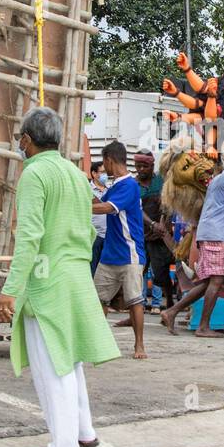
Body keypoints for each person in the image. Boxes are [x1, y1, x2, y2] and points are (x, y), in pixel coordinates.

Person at [0, 107, 121, 447]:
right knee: (71, 359)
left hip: (46, 280)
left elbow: (30, 237)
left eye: (21, 138)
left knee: (54, 366)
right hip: (75, 274)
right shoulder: (75, 173)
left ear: (27, 140)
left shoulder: (35, 174)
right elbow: (88, 228)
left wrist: (10, 290)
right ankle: (83, 432)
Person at [160, 151, 224, 338]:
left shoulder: (221, 178)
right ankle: (203, 327)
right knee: (217, 280)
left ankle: (171, 312)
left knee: (207, 282)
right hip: (217, 235)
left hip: (211, 233)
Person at [92, 141, 147, 358]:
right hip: (110, 254)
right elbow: (99, 200)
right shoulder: (115, 186)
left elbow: (106, 208)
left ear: (109, 160)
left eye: (104, 163)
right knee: (98, 300)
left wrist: (80, 207)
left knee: (135, 300)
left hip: (129, 253)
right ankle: (96, 342)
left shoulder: (129, 186)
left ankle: (139, 345)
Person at [135, 149, 174, 312]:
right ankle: (136, 307)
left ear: (152, 166)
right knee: (136, 273)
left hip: (160, 236)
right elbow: (136, 208)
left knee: (161, 273)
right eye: (138, 166)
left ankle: (171, 303)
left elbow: (169, 202)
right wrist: (152, 224)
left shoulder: (161, 181)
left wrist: (163, 222)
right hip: (140, 234)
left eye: (145, 166)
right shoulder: (134, 184)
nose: (141, 169)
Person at [88, 160, 108, 275]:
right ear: (94, 174)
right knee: (92, 269)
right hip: (94, 236)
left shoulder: (110, 190)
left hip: (108, 236)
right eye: (102, 172)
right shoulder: (87, 189)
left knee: (105, 271)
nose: (105, 175)